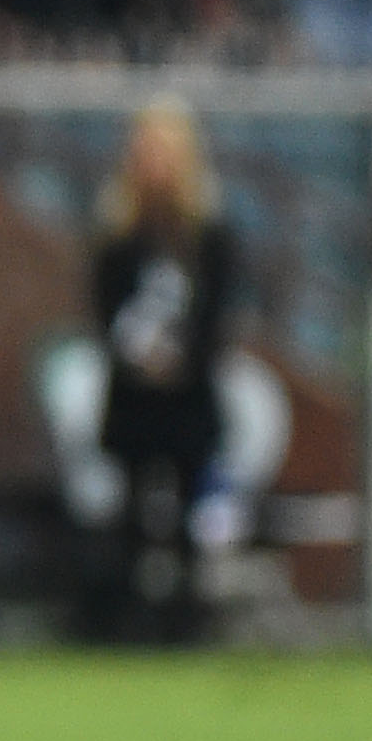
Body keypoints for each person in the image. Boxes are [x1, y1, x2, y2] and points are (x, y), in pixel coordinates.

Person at [85, 99, 239, 646]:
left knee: (189, 510)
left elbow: (217, 314)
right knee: (131, 511)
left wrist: (181, 361)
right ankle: (129, 618)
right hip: (133, 398)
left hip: (188, 398)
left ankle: (188, 617)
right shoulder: (118, 234)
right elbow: (103, 311)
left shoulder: (207, 235)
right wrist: (139, 361)